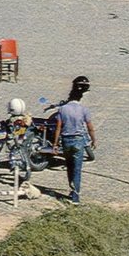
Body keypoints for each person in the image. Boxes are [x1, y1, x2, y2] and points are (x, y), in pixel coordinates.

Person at [52, 76, 97, 204]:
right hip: (78, 141)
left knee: (69, 167)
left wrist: (55, 144)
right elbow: (90, 128)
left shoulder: (62, 109)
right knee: (77, 169)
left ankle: (71, 188)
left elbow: (58, 128)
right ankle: (76, 197)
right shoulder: (84, 110)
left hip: (66, 141)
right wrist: (94, 140)